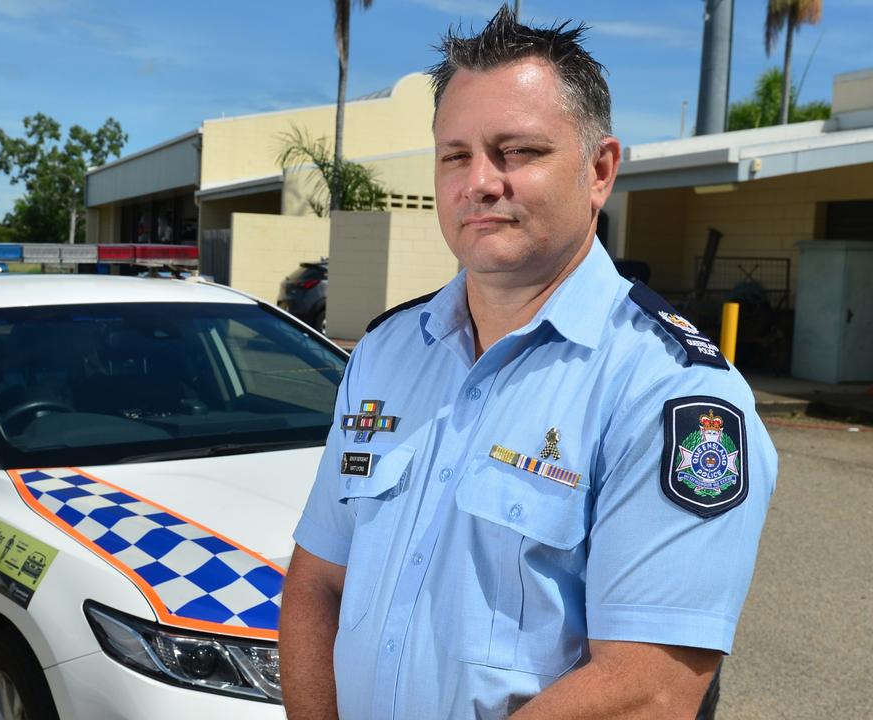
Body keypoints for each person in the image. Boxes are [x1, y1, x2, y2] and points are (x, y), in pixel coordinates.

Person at [279, 8, 777, 719]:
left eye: (516, 152)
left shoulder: (671, 393)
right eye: (456, 155)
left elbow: (648, 690)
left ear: (599, 169)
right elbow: (318, 582)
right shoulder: (387, 352)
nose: (479, 182)